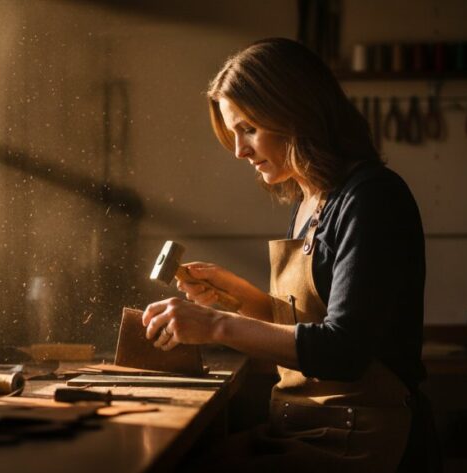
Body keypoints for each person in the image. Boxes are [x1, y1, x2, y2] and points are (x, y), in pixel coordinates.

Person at [142, 38, 430, 472]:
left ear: (294, 113)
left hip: (361, 437)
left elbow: (343, 351)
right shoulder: (310, 201)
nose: (239, 151)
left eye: (248, 129)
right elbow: (307, 328)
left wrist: (216, 324)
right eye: (233, 133)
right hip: (306, 424)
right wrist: (238, 298)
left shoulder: (372, 199)